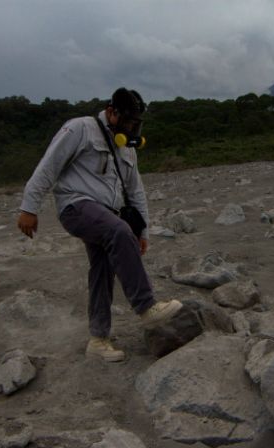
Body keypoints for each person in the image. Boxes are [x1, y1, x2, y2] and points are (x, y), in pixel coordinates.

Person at [17, 87, 182, 362]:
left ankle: (98, 339)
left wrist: (143, 232)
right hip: (75, 206)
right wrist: (28, 207)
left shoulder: (127, 148)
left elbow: (136, 191)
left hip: (106, 214)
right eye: (127, 121)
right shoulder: (80, 128)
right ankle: (146, 307)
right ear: (111, 112)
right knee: (119, 231)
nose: (131, 128)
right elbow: (49, 166)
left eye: (135, 123)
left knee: (102, 269)